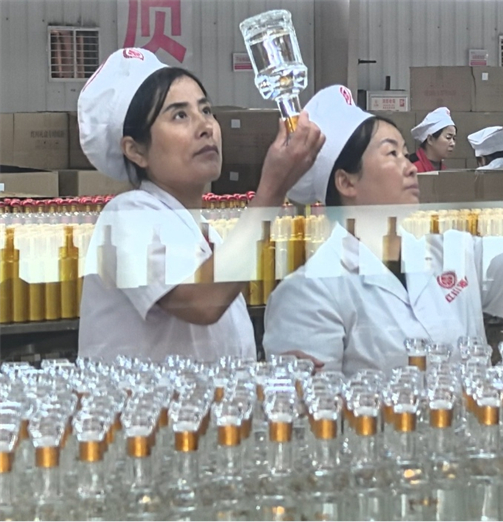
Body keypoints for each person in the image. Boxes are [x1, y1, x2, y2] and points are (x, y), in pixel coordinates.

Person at [263, 85, 503, 376]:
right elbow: (318, 422)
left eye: (406, 154)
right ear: (346, 182)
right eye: (391, 154)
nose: (410, 167)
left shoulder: (452, 251)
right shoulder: (308, 295)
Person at [76, 48, 324, 362]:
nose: (206, 126)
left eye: (206, 110)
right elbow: (202, 302)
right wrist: (273, 190)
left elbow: (208, 352)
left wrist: (269, 370)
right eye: (180, 115)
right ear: (136, 150)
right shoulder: (126, 216)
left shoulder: (206, 235)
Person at [407, 107, 456, 173]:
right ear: (430, 139)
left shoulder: (443, 169)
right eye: (448, 137)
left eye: (454, 138)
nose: (453, 143)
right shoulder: (411, 168)